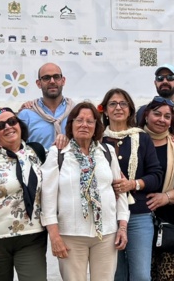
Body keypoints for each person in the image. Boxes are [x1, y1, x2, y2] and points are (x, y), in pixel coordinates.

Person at [40, 102, 130, 281]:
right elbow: (47, 197)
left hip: (106, 233)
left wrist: (122, 227)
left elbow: (119, 191)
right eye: (79, 120)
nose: (84, 125)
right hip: (70, 234)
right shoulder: (58, 153)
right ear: (71, 124)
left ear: (96, 126)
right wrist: (54, 236)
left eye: (90, 121)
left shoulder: (107, 152)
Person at [0, 108, 48, 281]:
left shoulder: (37, 153)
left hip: (32, 236)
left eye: (12, 121)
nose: (8, 127)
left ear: (19, 125)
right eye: (0, 126)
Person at [99, 89, 163, 281]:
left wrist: (133, 184)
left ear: (130, 110)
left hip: (138, 215)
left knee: (141, 276)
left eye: (123, 103)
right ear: (105, 110)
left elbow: (156, 176)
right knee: (116, 275)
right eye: (113, 104)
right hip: (108, 216)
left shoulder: (142, 138)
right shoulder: (97, 140)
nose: (118, 107)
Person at [140, 97, 174, 281]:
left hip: (172, 225)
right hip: (139, 221)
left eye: (167, 116)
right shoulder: (134, 143)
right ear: (146, 115)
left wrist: (166, 197)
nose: (162, 119)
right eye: (157, 114)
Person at [135, 64, 174, 147]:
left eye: (170, 77)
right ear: (155, 83)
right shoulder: (139, 112)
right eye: (160, 78)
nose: (165, 81)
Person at [18, 63, 76, 150]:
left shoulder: (76, 112)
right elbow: (18, 148)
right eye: (46, 78)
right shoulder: (26, 114)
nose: (52, 81)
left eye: (56, 77)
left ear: (63, 81)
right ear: (39, 83)